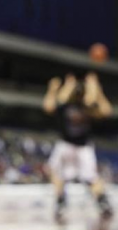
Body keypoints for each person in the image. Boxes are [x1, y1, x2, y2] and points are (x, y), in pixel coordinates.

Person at [43, 72, 113, 220]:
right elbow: (49, 106)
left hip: (83, 147)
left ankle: (102, 201)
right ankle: (61, 200)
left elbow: (106, 111)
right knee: (56, 174)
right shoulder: (66, 106)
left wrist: (98, 91)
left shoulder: (87, 107)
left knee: (91, 177)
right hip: (66, 145)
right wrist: (54, 89)